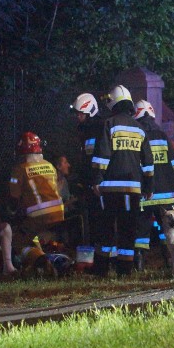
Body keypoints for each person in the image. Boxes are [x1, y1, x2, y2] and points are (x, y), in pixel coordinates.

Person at [91, 85, 155, 277]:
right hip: (134, 189)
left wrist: (97, 179)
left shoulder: (109, 124)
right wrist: (149, 185)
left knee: (107, 229)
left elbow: (102, 155)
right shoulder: (140, 128)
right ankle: (125, 271)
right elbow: (148, 162)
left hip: (110, 189)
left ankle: (101, 270)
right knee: (128, 230)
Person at [133, 99, 174, 271]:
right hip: (166, 193)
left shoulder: (137, 136)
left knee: (142, 231)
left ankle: (139, 266)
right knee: (167, 229)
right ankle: (170, 263)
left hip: (146, 194)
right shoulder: (163, 136)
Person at [9, 132, 65, 235]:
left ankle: (36, 250)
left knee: (19, 240)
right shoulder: (49, 165)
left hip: (39, 217)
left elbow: (14, 196)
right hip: (59, 214)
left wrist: (12, 212)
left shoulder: (19, 170)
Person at [71, 92, 104, 245]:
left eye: (81, 113)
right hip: (89, 182)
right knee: (91, 219)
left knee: (100, 219)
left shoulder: (98, 128)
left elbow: (99, 155)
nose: (78, 116)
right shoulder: (84, 129)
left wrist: (97, 179)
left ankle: (102, 251)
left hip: (98, 182)